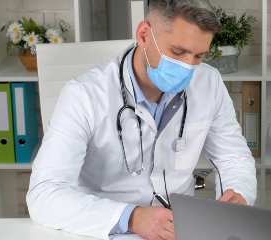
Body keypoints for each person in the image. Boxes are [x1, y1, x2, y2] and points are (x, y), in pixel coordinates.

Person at [26, 0, 257, 239]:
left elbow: (233, 159)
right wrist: (132, 217)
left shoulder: (209, 82)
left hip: (180, 229)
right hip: (106, 230)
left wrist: (237, 193)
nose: (188, 67)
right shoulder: (84, 94)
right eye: (178, 52)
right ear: (144, 35)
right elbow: (44, 194)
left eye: (198, 56)